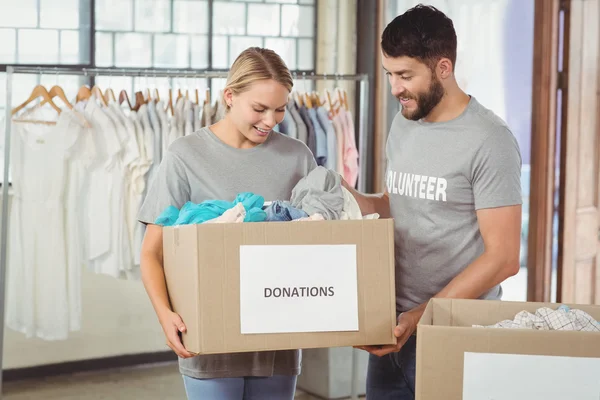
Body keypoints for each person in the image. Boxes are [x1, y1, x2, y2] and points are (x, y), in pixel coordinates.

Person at [343, 5, 522, 400]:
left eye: (405, 76)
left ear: (443, 68)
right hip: (392, 328)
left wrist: (422, 316)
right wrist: (344, 196)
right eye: (390, 74)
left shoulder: (489, 140)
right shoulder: (404, 121)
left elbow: (504, 257)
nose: (394, 89)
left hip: (455, 330)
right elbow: (398, 203)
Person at [137, 47, 316, 400]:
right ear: (230, 96)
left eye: (280, 109)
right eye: (259, 109)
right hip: (209, 342)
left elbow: (317, 241)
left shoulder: (297, 157)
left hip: (277, 341)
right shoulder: (184, 156)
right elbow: (151, 253)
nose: (270, 120)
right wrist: (165, 315)